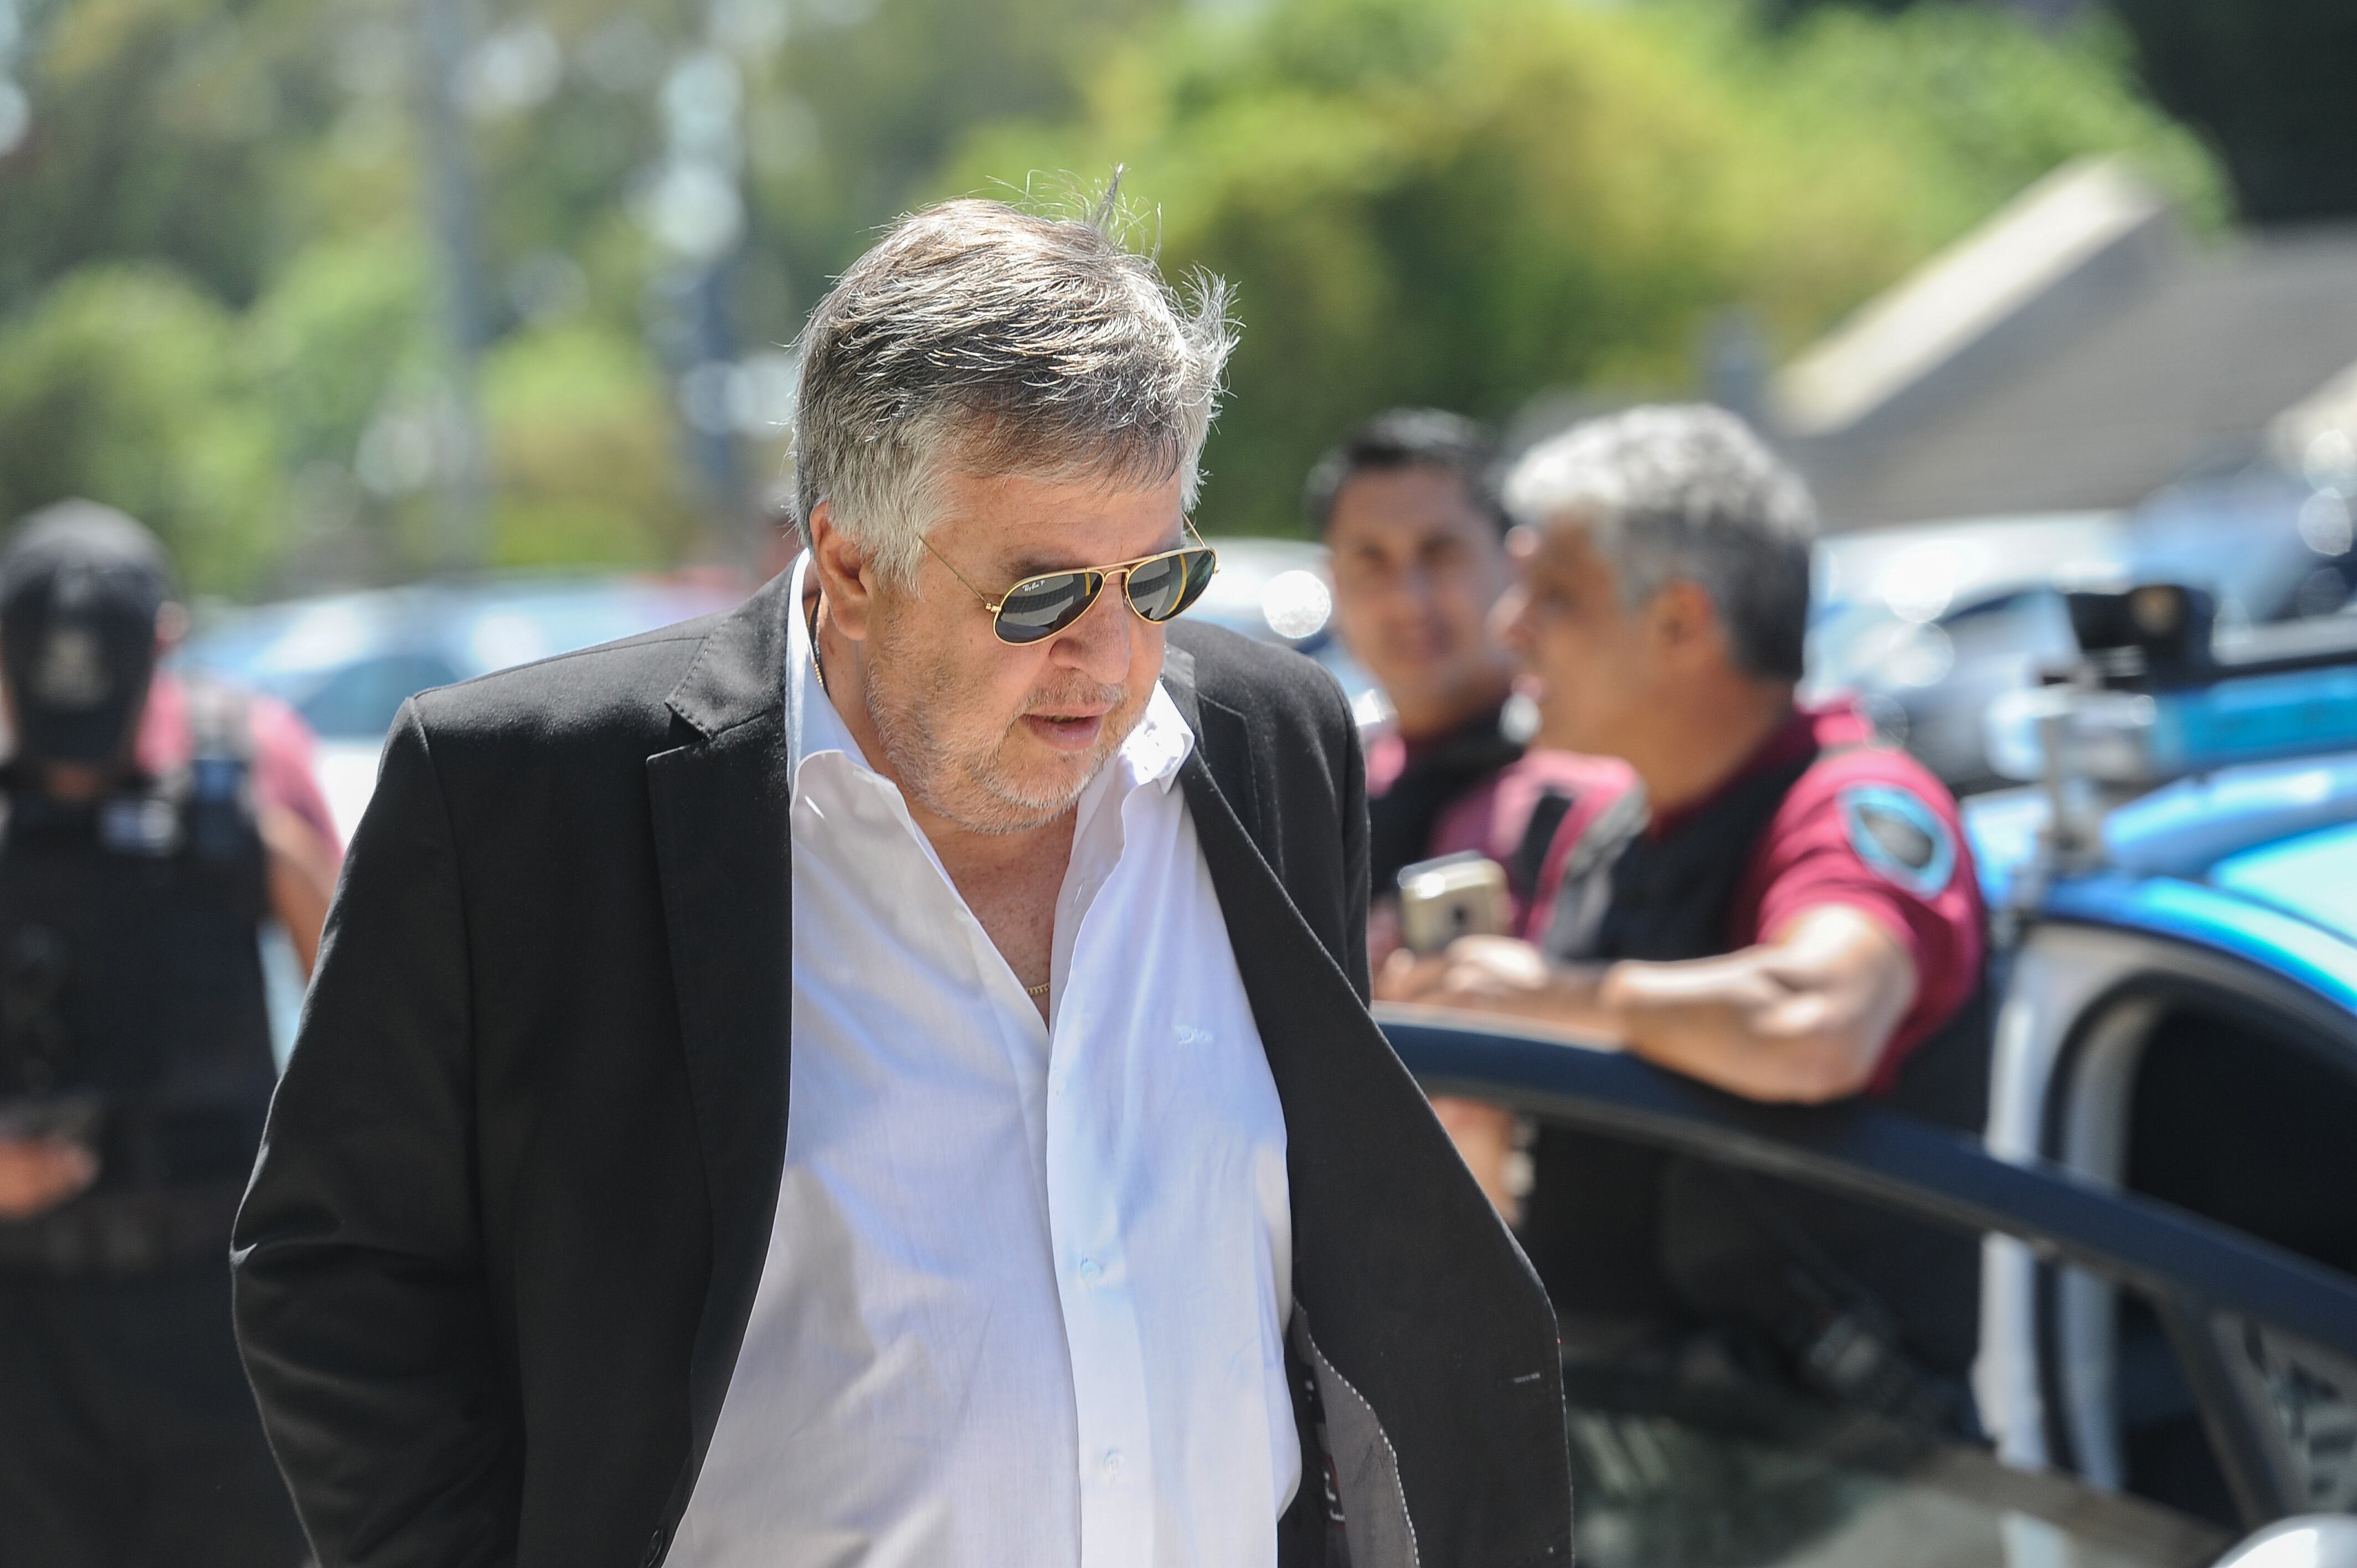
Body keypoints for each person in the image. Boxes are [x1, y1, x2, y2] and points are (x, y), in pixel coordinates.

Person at [232, 198, 1571, 1567]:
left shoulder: (1273, 738)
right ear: (851, 565)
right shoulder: (523, 795)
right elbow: (337, 1275)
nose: (1112, 660)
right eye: (1043, 595)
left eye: (1157, 578)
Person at [1380, 405, 1989, 1431]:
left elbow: (1816, 1022)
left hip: (1849, 1485)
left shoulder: (1851, 805)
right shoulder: (1611, 831)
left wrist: (1551, 1002)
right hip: (1646, 1458)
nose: (1509, 625)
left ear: (1680, 623)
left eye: (1553, 594)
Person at [0, 501, 337, 1567]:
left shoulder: (253, 760)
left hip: (219, 1309)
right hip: (26, 1328)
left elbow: (370, 1005)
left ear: (165, 645)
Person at [1311, 409, 1626, 927]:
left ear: (1515, 563)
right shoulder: (1320, 790)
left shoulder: (1598, 789)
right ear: (1335, 585)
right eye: (1371, 561)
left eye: (1440, 555)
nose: (1408, 600)